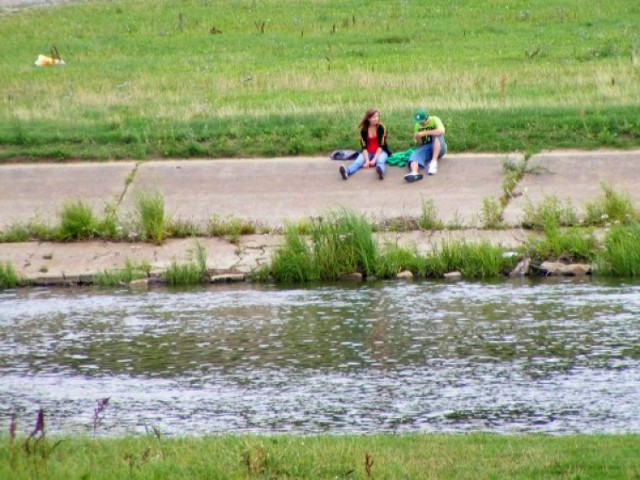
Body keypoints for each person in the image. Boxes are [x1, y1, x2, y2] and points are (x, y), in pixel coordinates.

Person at [339, 108, 391, 181]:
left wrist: (373, 160)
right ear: (368, 118)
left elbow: (381, 145)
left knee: (380, 161)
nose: (376, 119)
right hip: (368, 152)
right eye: (373, 117)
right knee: (358, 161)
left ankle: (380, 172)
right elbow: (364, 147)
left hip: (381, 152)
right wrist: (367, 160)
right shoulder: (363, 130)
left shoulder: (382, 128)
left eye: (377, 116)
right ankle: (347, 171)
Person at [404, 108, 446, 183]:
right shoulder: (417, 125)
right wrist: (418, 138)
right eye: (418, 122)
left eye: (421, 122)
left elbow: (442, 130)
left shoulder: (435, 119)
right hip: (426, 146)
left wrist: (424, 133)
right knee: (415, 155)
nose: (420, 124)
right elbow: (420, 144)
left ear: (426, 118)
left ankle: (433, 163)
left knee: (437, 135)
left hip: (439, 147)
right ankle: (414, 173)